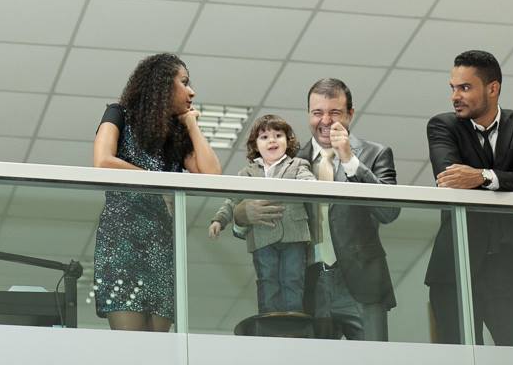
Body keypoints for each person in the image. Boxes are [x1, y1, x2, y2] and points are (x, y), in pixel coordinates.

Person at [234, 78, 399, 340]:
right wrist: (239, 216)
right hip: (308, 284)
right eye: (317, 113)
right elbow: (256, 217)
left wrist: (349, 160)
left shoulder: (375, 153)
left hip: (361, 283)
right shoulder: (289, 162)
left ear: (350, 114)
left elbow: (389, 212)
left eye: (334, 112)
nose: (324, 121)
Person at [425, 50, 513, 346]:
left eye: (465, 87)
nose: (455, 96)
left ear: (492, 89)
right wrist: (507, 181)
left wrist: (483, 176)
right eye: (453, 88)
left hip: (509, 266)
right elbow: (450, 180)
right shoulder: (442, 125)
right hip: (454, 269)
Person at [92, 53, 221, 332]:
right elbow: (102, 160)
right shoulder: (119, 114)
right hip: (122, 240)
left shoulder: (175, 134)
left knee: (161, 346)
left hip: (162, 243)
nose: (192, 91)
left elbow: (212, 175)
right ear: (163, 85)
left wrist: (191, 125)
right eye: (184, 82)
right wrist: (156, 181)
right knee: (132, 345)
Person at [209, 114, 314, 314]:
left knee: (293, 277)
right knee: (267, 279)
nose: (272, 140)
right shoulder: (247, 173)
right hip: (262, 236)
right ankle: (269, 318)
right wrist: (219, 220)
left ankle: (294, 317)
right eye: (264, 137)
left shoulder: (298, 165)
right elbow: (232, 201)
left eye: (278, 135)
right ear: (255, 145)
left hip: (294, 234)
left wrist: (312, 184)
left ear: (288, 140)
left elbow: (309, 183)